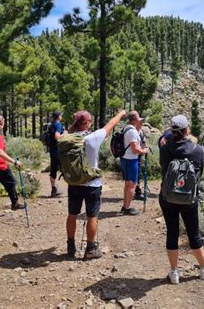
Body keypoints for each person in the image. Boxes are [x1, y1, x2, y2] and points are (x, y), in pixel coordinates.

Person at [159, 115, 204, 284]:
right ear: (187, 129)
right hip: (189, 198)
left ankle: (174, 272)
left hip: (167, 197)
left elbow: (163, 168)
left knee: (172, 233)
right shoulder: (198, 150)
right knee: (193, 233)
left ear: (172, 131)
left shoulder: (164, 149)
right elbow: (200, 173)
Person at [66, 109, 127, 259]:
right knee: (92, 216)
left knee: (72, 214)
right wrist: (121, 113)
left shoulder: (68, 138)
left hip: (74, 182)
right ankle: (91, 249)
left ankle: (70, 246)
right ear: (86, 123)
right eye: (90, 120)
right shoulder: (93, 137)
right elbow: (111, 124)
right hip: (92, 184)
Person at [121, 111, 149, 215]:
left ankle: (125, 206)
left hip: (125, 159)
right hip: (131, 160)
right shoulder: (132, 131)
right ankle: (127, 208)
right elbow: (135, 149)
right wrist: (144, 151)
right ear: (135, 119)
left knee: (127, 184)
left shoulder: (126, 128)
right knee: (132, 184)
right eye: (138, 118)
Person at [49, 111, 67, 198]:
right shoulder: (58, 124)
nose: (61, 117)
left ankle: (53, 189)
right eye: (61, 115)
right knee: (66, 169)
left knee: (53, 170)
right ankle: (74, 189)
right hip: (58, 151)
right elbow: (57, 137)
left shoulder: (51, 124)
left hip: (52, 151)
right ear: (59, 116)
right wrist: (65, 133)